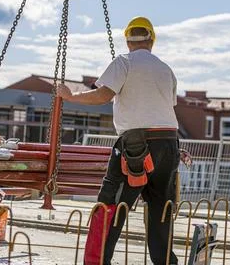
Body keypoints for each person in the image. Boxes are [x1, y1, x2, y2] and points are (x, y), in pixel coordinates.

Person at [58, 16, 181, 265]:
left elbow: (103, 95)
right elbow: (163, 108)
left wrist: (71, 96)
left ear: (127, 41)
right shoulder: (166, 70)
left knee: (110, 206)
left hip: (136, 144)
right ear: (152, 41)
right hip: (168, 143)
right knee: (161, 210)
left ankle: (97, 262)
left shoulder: (123, 62)